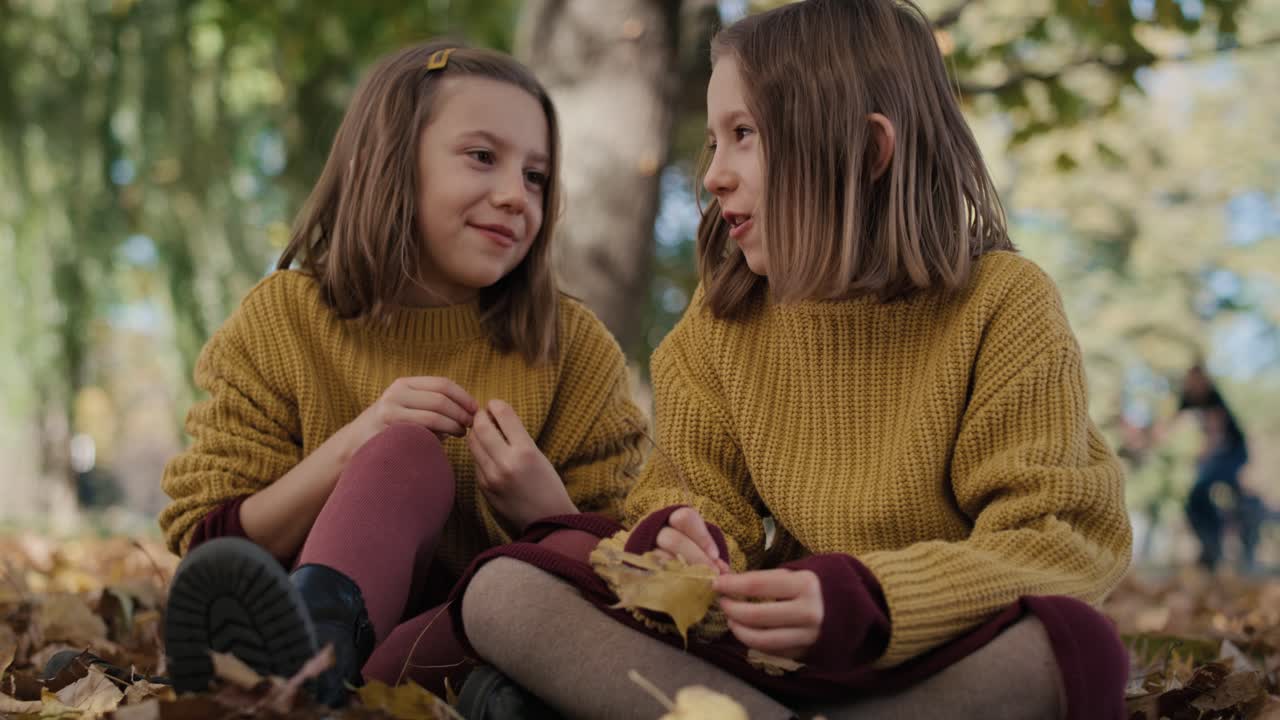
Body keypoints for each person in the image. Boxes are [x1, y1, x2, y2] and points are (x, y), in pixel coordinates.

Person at [447, 2, 1134, 718]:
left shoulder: (1003, 304)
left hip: (930, 649)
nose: (712, 176)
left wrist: (869, 601)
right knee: (505, 591)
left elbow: (1057, 540)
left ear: (868, 153)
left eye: (743, 135)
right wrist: (688, 542)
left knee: (1074, 646)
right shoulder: (718, 328)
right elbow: (687, 497)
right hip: (772, 658)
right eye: (713, 142)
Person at [155, 40, 645, 708]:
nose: (514, 195)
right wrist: (351, 448)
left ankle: (338, 690)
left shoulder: (572, 349)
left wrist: (547, 511)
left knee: (504, 614)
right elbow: (209, 543)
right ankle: (311, 667)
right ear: (392, 164)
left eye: (536, 176)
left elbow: (635, 580)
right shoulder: (284, 320)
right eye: (482, 157)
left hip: (449, 645)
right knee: (404, 454)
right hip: (309, 629)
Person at [1177, 364, 1259, 570]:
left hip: (1233, 452)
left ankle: (1240, 539)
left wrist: (1204, 456)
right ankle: (1210, 547)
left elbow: (1216, 430)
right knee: (1197, 497)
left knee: (1209, 489)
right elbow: (1172, 422)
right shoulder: (1187, 398)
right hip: (1216, 454)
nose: (1193, 386)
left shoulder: (1213, 397)